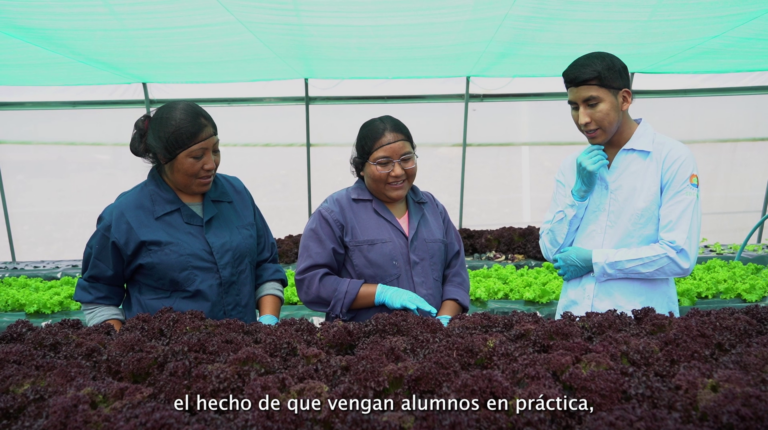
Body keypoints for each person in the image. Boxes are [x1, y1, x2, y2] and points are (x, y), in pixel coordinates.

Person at [73, 101, 287, 330]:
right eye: (197, 156)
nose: (211, 164)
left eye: (215, 150)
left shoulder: (237, 194)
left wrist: (267, 322)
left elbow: (265, 266)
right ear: (164, 157)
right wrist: (125, 349)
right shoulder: (125, 215)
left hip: (242, 355)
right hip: (162, 359)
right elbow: (99, 297)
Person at [539, 52, 701, 318]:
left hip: (642, 328)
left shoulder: (670, 158)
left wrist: (595, 261)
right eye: (574, 106)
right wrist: (578, 195)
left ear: (624, 99)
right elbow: (551, 250)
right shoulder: (573, 166)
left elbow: (678, 255)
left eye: (592, 104)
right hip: (573, 325)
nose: (582, 119)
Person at [295, 115, 469, 324]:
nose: (397, 171)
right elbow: (312, 283)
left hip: (432, 345)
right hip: (364, 349)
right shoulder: (335, 212)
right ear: (361, 167)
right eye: (383, 163)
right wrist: (380, 293)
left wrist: (445, 319)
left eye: (406, 159)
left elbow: (455, 274)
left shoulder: (432, 208)